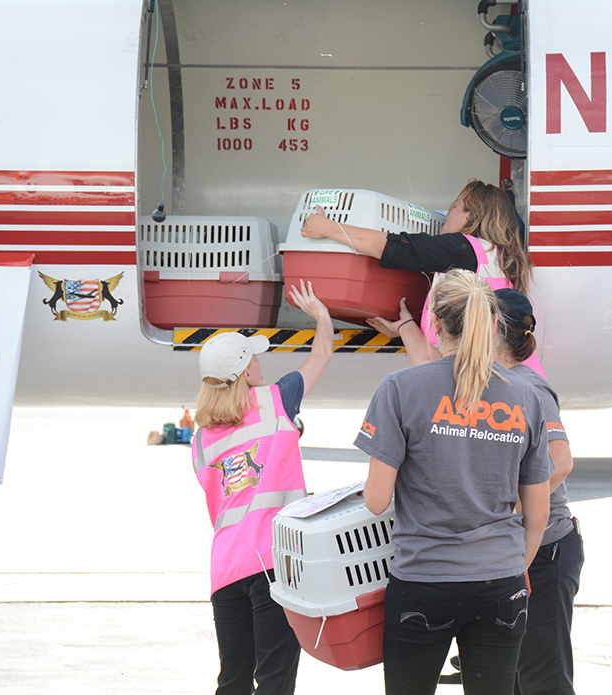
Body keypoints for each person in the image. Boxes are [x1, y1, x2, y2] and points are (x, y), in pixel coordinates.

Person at [354, 269, 552, 695]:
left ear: (436, 324)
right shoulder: (526, 396)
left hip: (425, 580)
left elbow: (375, 500)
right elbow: (538, 513)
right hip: (501, 582)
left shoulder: (400, 388)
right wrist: (512, 568)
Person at [191, 279, 334, 695]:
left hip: (225, 570)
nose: (259, 363)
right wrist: (322, 315)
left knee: (233, 681)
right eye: (253, 358)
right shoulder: (276, 401)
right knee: (274, 680)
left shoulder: (200, 439)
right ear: (245, 371)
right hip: (274, 564)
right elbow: (321, 354)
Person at [300, 179, 540, 372]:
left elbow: (400, 249)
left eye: (454, 207)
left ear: (468, 216)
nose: (448, 215)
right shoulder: (496, 260)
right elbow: (439, 363)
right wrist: (405, 327)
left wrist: (328, 228)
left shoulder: (465, 249)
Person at [491, 288, 583, 695]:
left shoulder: (529, 386)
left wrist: (505, 508)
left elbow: (560, 463)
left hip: (545, 552)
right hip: (509, 551)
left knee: (543, 681)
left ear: (492, 328)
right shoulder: (493, 380)